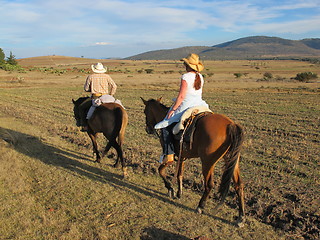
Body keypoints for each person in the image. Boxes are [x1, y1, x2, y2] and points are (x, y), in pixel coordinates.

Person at [154, 53, 209, 163]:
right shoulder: (200, 77)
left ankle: (169, 154)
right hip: (200, 104)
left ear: (188, 65)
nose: (184, 65)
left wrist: (173, 109)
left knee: (165, 124)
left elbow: (182, 96)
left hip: (186, 105)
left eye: (185, 63)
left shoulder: (186, 76)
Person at [78, 62, 117, 131]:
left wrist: (91, 89)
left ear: (94, 69)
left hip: (95, 97)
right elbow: (114, 86)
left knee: (81, 107)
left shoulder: (90, 76)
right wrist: (111, 95)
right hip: (106, 96)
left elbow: (86, 89)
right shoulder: (107, 76)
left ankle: (85, 125)